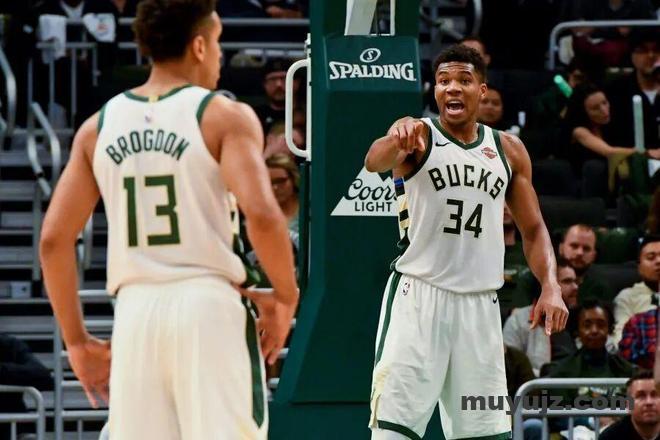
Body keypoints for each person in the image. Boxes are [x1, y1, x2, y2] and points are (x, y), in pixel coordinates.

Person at [39, 1, 299, 439]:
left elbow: (52, 240)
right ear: (199, 46)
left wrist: (78, 342)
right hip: (207, 306)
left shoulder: (97, 127)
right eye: (217, 42)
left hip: (135, 313)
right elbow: (262, 215)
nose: (219, 56)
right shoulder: (223, 116)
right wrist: (285, 297)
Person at [363, 44, 568, 440]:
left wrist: (551, 286)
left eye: (463, 80)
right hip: (419, 297)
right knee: (394, 430)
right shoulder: (419, 137)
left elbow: (534, 229)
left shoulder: (509, 150)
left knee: (485, 432)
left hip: (480, 306)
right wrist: (397, 134)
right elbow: (374, 161)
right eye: (443, 81)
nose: (452, 88)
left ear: (482, 90)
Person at [503, 259, 580, 375]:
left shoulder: (583, 318)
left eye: (576, 282)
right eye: (567, 282)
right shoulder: (518, 321)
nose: (575, 287)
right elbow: (510, 367)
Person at [512, 224, 612, 307]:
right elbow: (518, 318)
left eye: (586, 249)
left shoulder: (600, 288)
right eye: (574, 246)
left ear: (594, 255)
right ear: (561, 248)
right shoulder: (533, 279)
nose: (580, 253)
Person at [613, 236, 660, 344]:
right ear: (639, 267)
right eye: (651, 257)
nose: (658, 261)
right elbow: (620, 340)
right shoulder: (627, 298)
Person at [600, 369, 660, 440]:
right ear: (628, 405)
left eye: (655, 395)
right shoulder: (610, 437)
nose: (649, 402)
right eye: (641, 396)